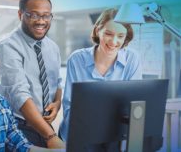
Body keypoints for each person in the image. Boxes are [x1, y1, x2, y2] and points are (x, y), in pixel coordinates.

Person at [59, 8, 142, 145]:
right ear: (98, 30)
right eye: (108, 34)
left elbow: (133, 106)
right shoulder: (77, 59)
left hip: (113, 137)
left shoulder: (132, 59)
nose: (114, 42)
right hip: (78, 136)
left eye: (121, 36)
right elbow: (70, 107)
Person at [0, 0, 64, 148]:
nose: (41, 21)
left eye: (46, 15)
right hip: (16, 129)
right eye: (34, 15)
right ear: (20, 15)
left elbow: (57, 82)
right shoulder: (7, 47)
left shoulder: (52, 47)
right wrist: (51, 136)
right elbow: (20, 95)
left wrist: (57, 103)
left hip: (44, 126)